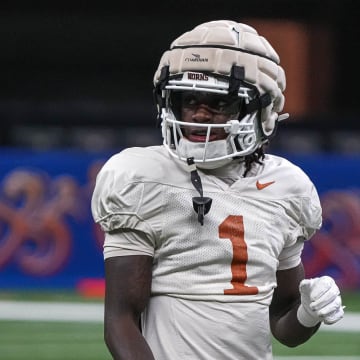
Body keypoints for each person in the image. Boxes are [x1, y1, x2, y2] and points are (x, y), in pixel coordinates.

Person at [91, 20, 344, 360]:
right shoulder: (143, 177)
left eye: (218, 102)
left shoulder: (288, 187)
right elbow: (121, 322)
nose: (197, 114)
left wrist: (308, 312)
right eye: (187, 100)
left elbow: (285, 325)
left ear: (262, 110)